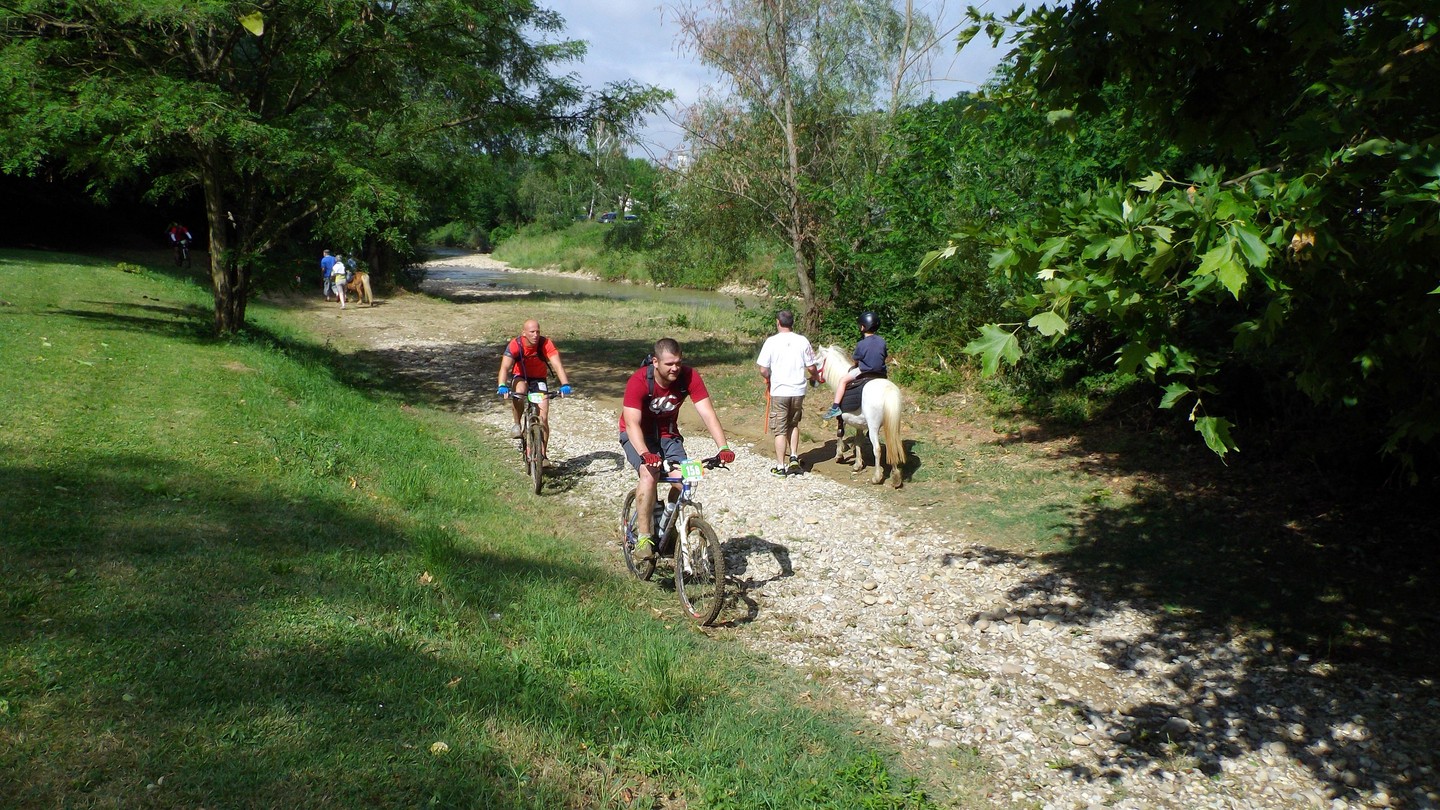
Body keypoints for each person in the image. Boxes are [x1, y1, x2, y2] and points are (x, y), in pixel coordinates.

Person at [620, 338, 735, 561]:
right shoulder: (639, 380)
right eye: (669, 364)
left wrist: (723, 447)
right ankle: (644, 538)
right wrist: (645, 454)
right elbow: (632, 423)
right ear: (655, 362)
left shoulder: (689, 377)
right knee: (649, 474)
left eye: (678, 363)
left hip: (667, 435)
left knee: (683, 480)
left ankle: (666, 523)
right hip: (637, 435)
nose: (675, 368)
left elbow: (707, 413)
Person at [496, 320, 572, 457]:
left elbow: (557, 365)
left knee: (543, 418)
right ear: (524, 333)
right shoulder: (515, 344)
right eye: (532, 332)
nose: (536, 335)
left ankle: (542, 455)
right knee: (519, 392)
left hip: (539, 379)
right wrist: (502, 385)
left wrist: (565, 384)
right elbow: (505, 367)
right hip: (521, 376)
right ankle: (517, 424)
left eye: (538, 331)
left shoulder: (545, 344)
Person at [756, 310, 819, 476]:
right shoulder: (802, 341)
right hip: (798, 390)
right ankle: (793, 457)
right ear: (793, 323)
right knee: (794, 424)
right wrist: (815, 376)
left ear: (778, 322)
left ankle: (780, 466)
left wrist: (769, 378)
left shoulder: (771, 342)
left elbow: (763, 369)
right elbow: (811, 366)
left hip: (780, 391)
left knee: (780, 429)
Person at [822, 311, 888, 420]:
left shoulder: (861, 343)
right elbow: (884, 356)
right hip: (881, 373)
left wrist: (856, 364)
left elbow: (856, 360)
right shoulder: (882, 341)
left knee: (842, 380)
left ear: (863, 327)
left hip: (865, 371)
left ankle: (835, 407)